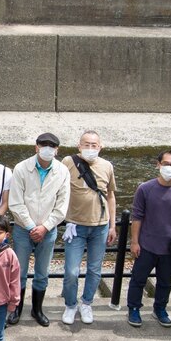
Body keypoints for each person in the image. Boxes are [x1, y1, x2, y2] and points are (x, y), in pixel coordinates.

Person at [8, 132, 70, 327]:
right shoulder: (21, 168)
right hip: (22, 229)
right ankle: (16, 308)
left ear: (57, 150)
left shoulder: (62, 171)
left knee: (42, 271)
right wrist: (31, 226)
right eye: (43, 145)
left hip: (49, 230)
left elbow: (62, 206)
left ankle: (37, 309)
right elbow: (15, 203)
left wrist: (45, 227)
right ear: (36, 147)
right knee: (19, 271)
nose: (47, 149)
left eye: (52, 146)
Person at [126, 150, 171, 328]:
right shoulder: (145, 188)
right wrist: (134, 242)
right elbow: (137, 216)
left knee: (165, 282)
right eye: (165, 163)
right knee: (138, 279)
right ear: (158, 164)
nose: (169, 167)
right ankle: (133, 308)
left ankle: (160, 309)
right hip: (147, 243)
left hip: (170, 247)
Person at [60, 131, 118, 325]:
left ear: (100, 147)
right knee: (71, 271)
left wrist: (112, 225)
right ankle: (70, 304)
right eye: (87, 144)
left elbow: (110, 196)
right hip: (75, 226)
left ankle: (86, 303)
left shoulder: (107, 166)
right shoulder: (68, 162)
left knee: (94, 269)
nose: (90, 148)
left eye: (94, 145)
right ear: (79, 145)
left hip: (100, 226)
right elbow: (57, 187)